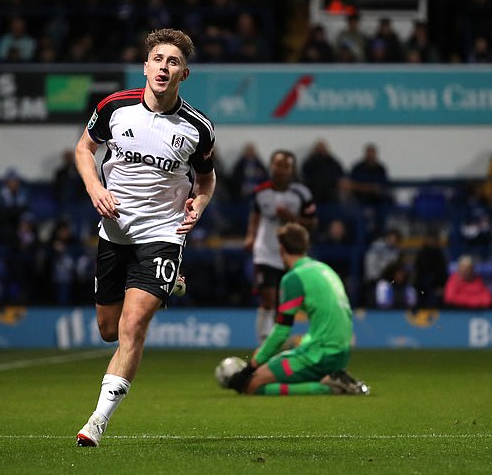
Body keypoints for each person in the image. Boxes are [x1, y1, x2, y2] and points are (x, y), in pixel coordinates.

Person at [74, 28, 216, 447]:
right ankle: (171, 282)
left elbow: (206, 181)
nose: (164, 68)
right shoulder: (114, 107)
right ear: (145, 66)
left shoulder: (198, 128)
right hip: (115, 231)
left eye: (173, 62)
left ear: (183, 74)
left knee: (133, 327)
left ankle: (97, 421)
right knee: (108, 329)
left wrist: (199, 205)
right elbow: (84, 150)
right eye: (158, 60)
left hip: (163, 234)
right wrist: (95, 188)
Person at [226, 223, 370, 396]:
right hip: (341, 351)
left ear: (281, 249)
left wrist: (251, 366)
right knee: (275, 368)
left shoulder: (293, 278)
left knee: (252, 384)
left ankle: (328, 388)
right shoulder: (323, 268)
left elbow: (282, 331)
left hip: (320, 354)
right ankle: (334, 377)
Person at [244, 150, 317, 343]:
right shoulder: (261, 192)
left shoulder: (301, 193)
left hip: (290, 254)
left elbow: (313, 223)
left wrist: (291, 218)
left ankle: (278, 340)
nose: (281, 170)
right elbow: (255, 215)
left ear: (292, 170)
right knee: (268, 297)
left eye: (286, 166)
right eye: (278, 165)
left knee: (284, 301)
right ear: (271, 166)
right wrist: (250, 236)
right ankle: (263, 342)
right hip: (265, 252)